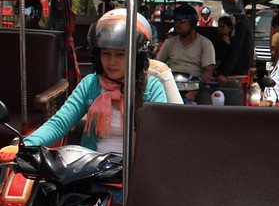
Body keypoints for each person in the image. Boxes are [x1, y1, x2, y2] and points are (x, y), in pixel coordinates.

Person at [0, 9, 167, 157]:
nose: (111, 61)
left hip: (136, 175)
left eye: (120, 54)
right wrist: (26, 145)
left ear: (136, 57)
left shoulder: (152, 88)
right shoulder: (91, 84)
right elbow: (60, 123)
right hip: (94, 172)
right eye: (106, 53)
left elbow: (161, 137)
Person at [156, 4, 216, 102]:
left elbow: (208, 72)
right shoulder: (170, 43)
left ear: (192, 23)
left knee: (206, 110)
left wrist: (194, 92)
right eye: (175, 21)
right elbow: (158, 64)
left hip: (196, 88)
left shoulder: (205, 44)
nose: (176, 25)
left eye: (181, 22)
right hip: (172, 85)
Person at [216, 9, 254, 80]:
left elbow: (236, 50)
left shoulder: (241, 26)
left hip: (237, 71)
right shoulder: (246, 24)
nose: (220, 29)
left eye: (223, 27)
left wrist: (224, 73)